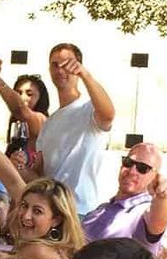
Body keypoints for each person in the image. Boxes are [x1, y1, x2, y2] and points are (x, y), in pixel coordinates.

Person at [0, 114, 84, 259]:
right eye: (24, 205)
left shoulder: (39, 251)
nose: (25, 215)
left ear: (56, 219)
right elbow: (10, 179)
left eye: (37, 211)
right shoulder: (54, 247)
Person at [35, 42, 115, 215]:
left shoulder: (89, 110)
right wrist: (20, 167)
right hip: (50, 212)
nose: (61, 70)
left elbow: (108, 115)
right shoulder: (48, 124)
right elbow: (40, 176)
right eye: (55, 65)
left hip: (80, 212)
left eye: (67, 64)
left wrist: (86, 75)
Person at [81, 143, 167, 254]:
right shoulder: (100, 211)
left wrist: (163, 196)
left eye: (142, 168)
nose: (132, 171)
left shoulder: (143, 212)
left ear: (155, 177)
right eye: (128, 163)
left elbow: (158, 221)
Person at [0, 59, 51, 179]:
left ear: (41, 97)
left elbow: (21, 110)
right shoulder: (17, 127)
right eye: (18, 93)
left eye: (29, 94)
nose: (23, 97)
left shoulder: (41, 120)